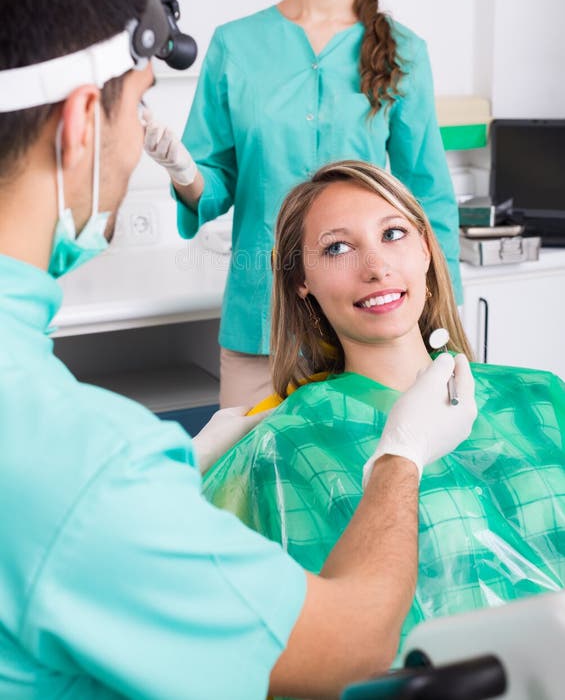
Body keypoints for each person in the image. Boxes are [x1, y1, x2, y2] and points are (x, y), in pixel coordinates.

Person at [0, 0, 477, 700]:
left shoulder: (400, 49)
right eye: (138, 105)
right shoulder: (83, 461)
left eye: (394, 237)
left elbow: (428, 191)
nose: (375, 260)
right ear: (82, 123)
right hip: (258, 332)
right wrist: (399, 459)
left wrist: (169, 476)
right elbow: (345, 647)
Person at [144, 0, 462, 408]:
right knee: (248, 487)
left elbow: (429, 200)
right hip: (260, 325)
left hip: (370, 328)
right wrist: (185, 171)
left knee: (367, 489)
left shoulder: (403, 52)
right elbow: (212, 189)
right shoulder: (236, 46)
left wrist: (445, 326)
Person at [203, 160, 565, 657]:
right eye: (337, 247)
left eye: (393, 233)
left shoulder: (539, 397)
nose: (376, 267)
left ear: (425, 250)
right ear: (301, 282)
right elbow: (318, 655)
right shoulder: (287, 447)